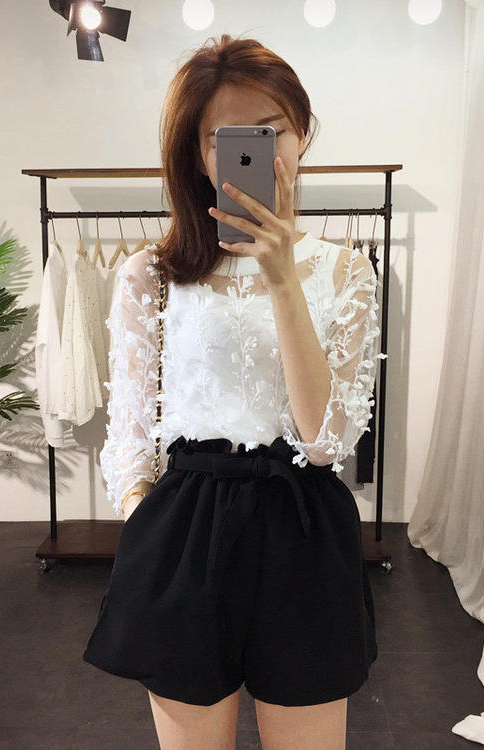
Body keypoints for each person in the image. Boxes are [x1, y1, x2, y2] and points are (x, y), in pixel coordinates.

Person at [83, 32, 384, 750]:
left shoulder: (346, 272)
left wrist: (282, 276)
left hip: (303, 528)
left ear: (301, 134)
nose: (254, 152)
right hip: (187, 528)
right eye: (224, 139)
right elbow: (130, 437)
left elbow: (326, 442)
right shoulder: (150, 274)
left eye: (270, 130)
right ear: (196, 154)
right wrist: (149, 528)